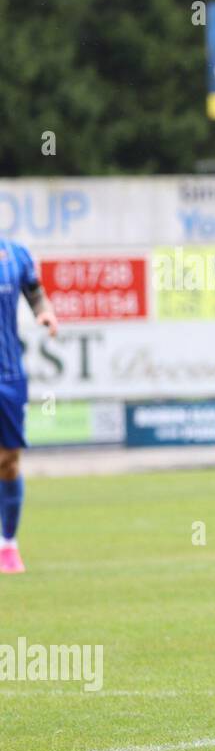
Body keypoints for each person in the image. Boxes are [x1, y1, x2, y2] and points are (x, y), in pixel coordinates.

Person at [0, 239, 59, 573]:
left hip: (8, 374)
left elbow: (34, 291)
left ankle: (8, 544)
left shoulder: (15, 255)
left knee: (8, 461)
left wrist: (44, 312)